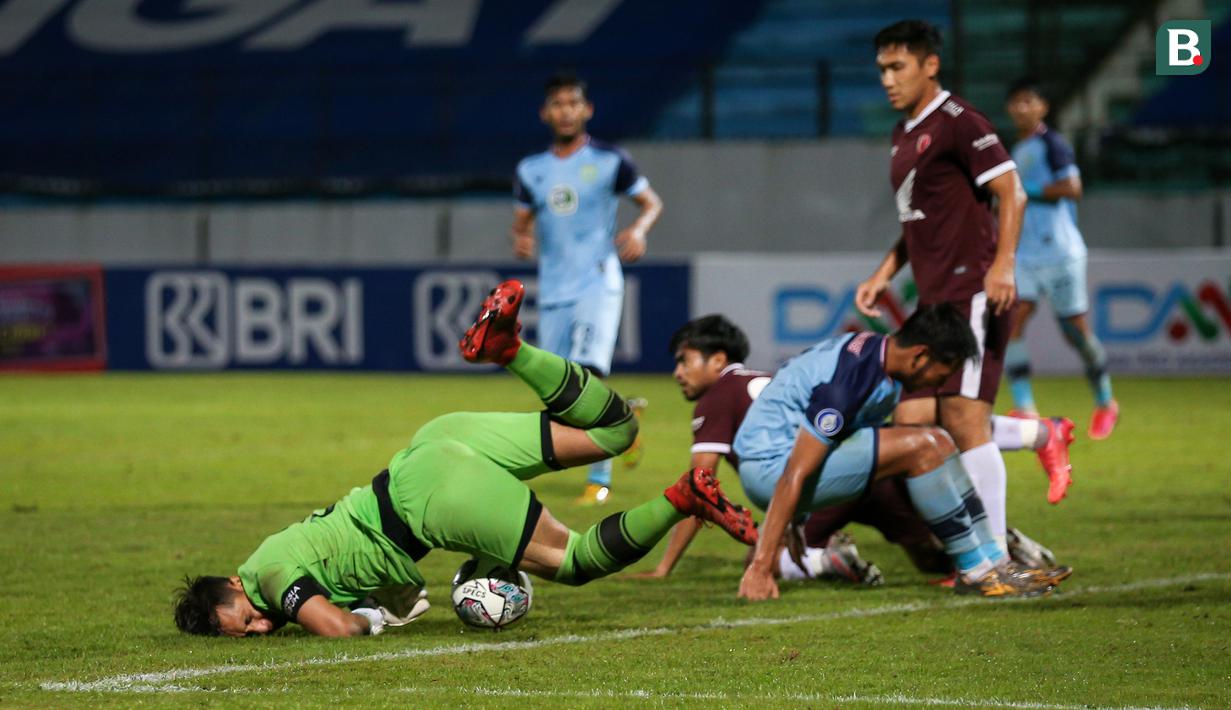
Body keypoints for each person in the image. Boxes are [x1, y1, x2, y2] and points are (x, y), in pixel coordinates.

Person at [173, 280, 754, 638]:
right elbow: (391, 590)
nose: (260, 625)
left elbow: (337, 628)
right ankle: (509, 350)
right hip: (431, 446)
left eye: (245, 616)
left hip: (432, 499)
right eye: (247, 632)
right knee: (616, 429)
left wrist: (365, 619)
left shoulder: (273, 579)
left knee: (575, 563)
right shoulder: (272, 557)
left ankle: (684, 496)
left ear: (234, 582)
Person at [640, 315, 1071, 585]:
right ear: (921, 356)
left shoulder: (876, 361)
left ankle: (992, 562)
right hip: (772, 472)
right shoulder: (850, 378)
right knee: (926, 443)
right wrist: (761, 561)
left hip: (793, 469)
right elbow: (792, 470)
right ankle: (980, 569)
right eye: (945, 370)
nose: (943, 380)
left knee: (933, 443)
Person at [855, 20, 1073, 531]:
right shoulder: (903, 132)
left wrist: (1002, 266)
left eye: (897, 67)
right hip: (932, 297)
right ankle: (1042, 436)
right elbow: (917, 218)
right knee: (912, 422)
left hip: (972, 286)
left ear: (930, 65)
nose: (887, 79)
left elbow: (1011, 191)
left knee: (963, 420)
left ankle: (991, 555)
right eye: (882, 69)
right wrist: (884, 272)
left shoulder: (960, 120)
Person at [511, 72, 664, 506]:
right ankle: (624, 415)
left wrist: (639, 229)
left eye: (572, 103)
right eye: (557, 104)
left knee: (588, 374)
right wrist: (521, 240)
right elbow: (521, 224)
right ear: (545, 113)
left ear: (586, 110)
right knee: (558, 390)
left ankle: (599, 480)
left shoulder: (611, 160)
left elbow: (652, 202)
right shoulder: (531, 170)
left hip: (598, 280)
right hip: (555, 288)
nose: (565, 111)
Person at [1004, 76, 1119, 439]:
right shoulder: (1012, 150)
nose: (1021, 108)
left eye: (1028, 101)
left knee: (1076, 334)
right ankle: (1025, 409)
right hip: (1024, 253)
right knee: (1013, 321)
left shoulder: (1052, 144)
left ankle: (1105, 402)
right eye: (1016, 102)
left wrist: (1025, 190)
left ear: (1043, 107)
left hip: (1060, 252)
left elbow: (1072, 188)